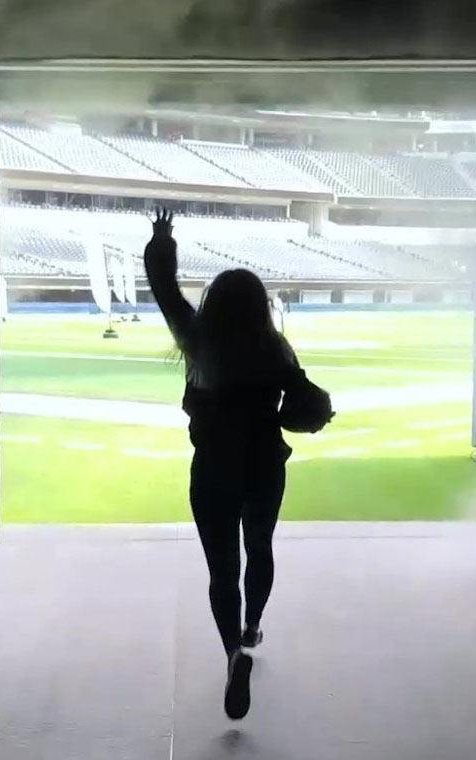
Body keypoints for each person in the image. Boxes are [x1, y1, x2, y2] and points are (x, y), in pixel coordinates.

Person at [143, 208, 321, 721]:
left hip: (214, 470)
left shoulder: (197, 341)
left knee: (222, 570)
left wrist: (161, 240)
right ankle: (252, 625)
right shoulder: (275, 348)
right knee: (259, 548)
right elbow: (312, 404)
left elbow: (164, 288)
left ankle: (233, 654)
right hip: (265, 466)